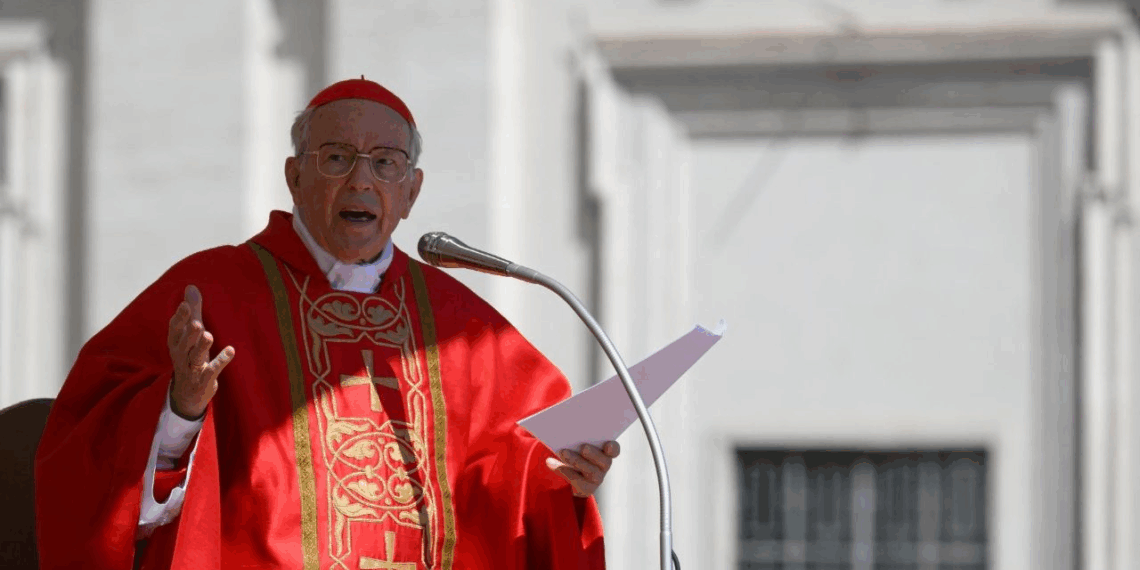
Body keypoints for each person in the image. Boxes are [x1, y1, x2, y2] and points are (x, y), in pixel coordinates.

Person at [35, 77, 620, 569]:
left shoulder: (464, 328)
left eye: (385, 163)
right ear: (294, 177)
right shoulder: (210, 294)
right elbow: (88, 467)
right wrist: (179, 409)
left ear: (411, 191)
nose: (361, 181)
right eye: (337, 158)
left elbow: (515, 479)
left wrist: (565, 478)